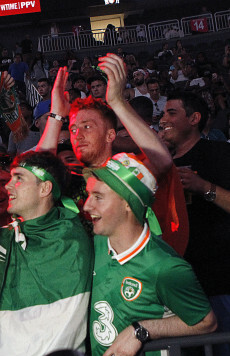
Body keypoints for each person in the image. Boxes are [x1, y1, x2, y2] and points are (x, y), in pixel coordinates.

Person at [38, 54, 188, 255]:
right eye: (73, 129)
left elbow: (161, 160)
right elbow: (34, 174)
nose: (78, 135)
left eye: (87, 126)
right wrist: (56, 114)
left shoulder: (126, 173)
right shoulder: (67, 179)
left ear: (110, 135)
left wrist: (117, 102)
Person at [84, 153, 216, 356]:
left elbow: (206, 322)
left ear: (128, 203)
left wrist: (141, 330)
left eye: (98, 197)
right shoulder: (98, 242)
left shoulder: (165, 266)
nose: (87, 206)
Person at [0, 151, 92, 356]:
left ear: (45, 189)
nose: (8, 186)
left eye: (19, 178)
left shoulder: (74, 236)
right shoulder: (4, 238)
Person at [158, 91, 230, 356]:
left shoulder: (220, 153)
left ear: (194, 118)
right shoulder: (160, 165)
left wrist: (204, 188)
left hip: (219, 283)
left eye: (171, 113)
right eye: (162, 114)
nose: (163, 119)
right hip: (178, 290)